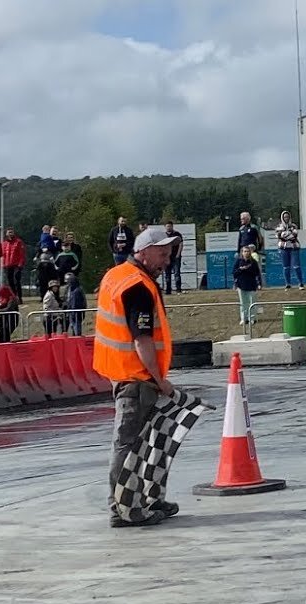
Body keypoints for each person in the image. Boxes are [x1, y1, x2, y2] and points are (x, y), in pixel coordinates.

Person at [93, 226, 180, 528]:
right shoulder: (138, 286)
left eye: (169, 254)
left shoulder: (116, 275)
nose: (166, 260)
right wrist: (159, 379)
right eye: (162, 254)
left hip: (121, 372)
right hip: (136, 377)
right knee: (129, 445)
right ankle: (124, 508)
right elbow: (141, 339)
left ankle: (141, 500)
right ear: (143, 251)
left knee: (139, 444)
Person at [232, 245, 261, 325]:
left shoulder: (253, 262)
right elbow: (234, 272)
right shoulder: (238, 261)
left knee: (252, 302)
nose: (246, 253)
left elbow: (257, 273)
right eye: (245, 251)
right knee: (243, 303)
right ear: (242, 252)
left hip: (251, 285)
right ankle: (243, 319)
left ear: (250, 252)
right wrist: (241, 269)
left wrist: (259, 283)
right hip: (241, 285)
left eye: (248, 251)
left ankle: (252, 318)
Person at [276, 210, 302, 289]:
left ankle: (300, 283)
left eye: (287, 217)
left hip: (294, 247)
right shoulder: (279, 226)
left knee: (296, 266)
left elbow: (294, 234)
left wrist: (285, 234)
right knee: (286, 267)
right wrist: (287, 234)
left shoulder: (293, 225)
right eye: (284, 217)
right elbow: (278, 236)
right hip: (283, 248)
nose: (286, 218)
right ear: (282, 218)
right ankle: (288, 284)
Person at [0, 227, 26, 300]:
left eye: (11, 232)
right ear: (6, 233)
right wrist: (4, 264)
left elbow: (22, 254)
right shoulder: (4, 244)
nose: (10, 234)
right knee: (10, 281)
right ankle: (13, 296)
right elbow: (3, 254)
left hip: (17, 265)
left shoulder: (18, 242)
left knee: (16, 281)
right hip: (8, 265)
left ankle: (19, 297)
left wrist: (20, 264)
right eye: (9, 232)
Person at [163, 220, 185, 294]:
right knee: (167, 274)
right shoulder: (163, 235)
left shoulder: (177, 234)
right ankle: (168, 290)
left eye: (170, 226)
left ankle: (178, 289)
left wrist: (178, 254)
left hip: (175, 256)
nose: (168, 227)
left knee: (177, 273)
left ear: (172, 226)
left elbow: (181, 244)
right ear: (165, 227)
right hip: (167, 257)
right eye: (167, 226)